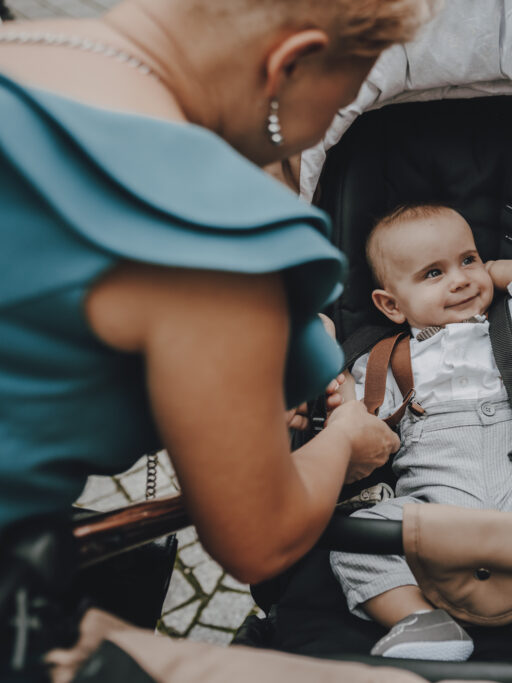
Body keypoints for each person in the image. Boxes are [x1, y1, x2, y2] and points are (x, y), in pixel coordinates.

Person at [0, 0, 438, 678]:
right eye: (341, 99)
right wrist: (346, 437)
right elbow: (259, 538)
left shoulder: (22, 51)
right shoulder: (212, 229)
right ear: (289, 65)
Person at [329, 204, 512, 661]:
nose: (461, 279)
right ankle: (417, 619)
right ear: (390, 304)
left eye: (467, 259)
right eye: (433, 273)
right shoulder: (383, 360)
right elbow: (359, 423)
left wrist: (492, 270)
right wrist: (341, 396)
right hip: (432, 511)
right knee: (357, 536)